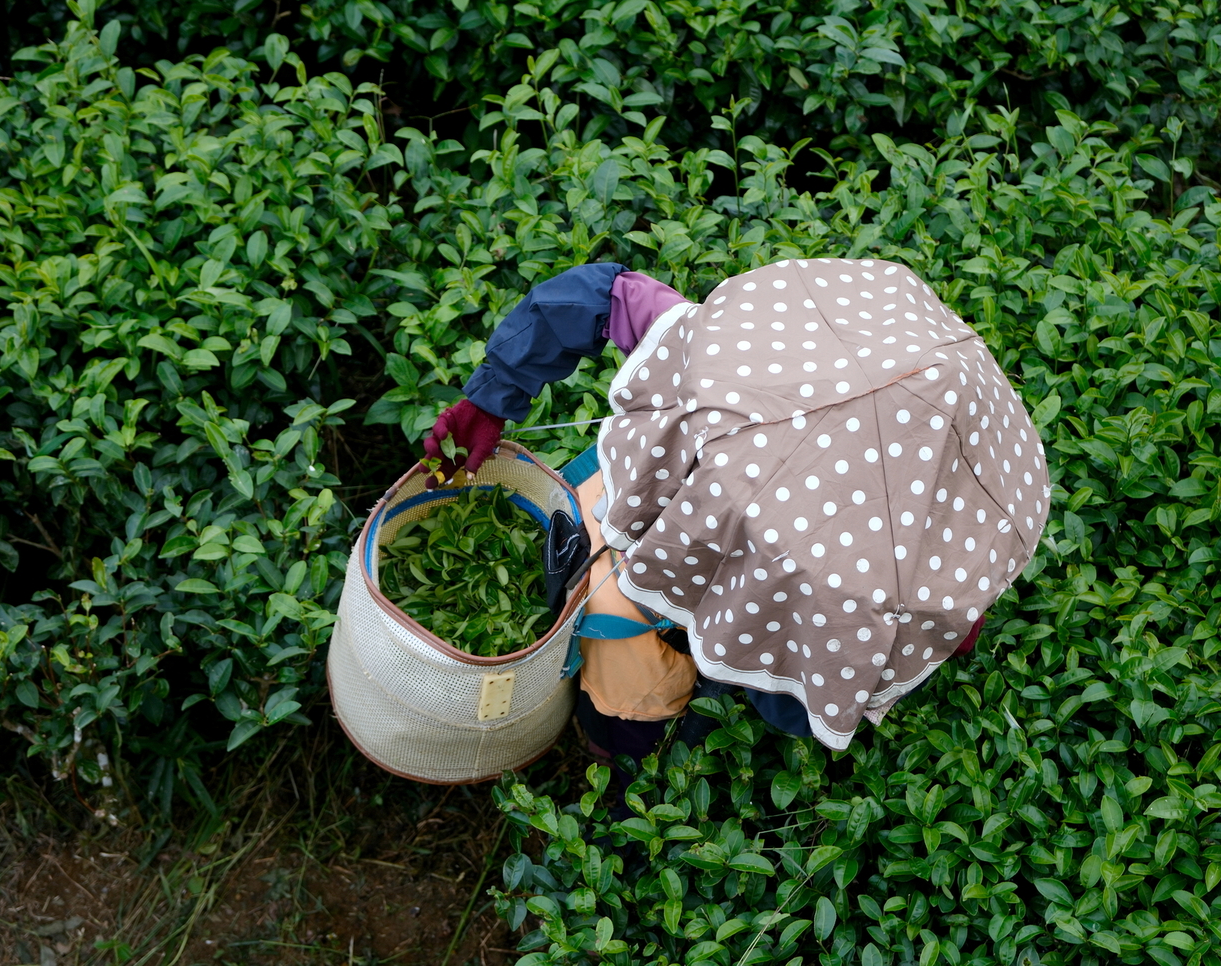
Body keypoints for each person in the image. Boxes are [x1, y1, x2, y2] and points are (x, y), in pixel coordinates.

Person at [423, 259, 1048, 768]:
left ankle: (620, 756)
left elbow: (786, 699)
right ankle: (625, 747)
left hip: (696, 615)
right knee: (628, 637)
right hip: (699, 576)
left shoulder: (851, 586)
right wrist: (489, 399)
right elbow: (605, 296)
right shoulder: (726, 367)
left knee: (629, 678)